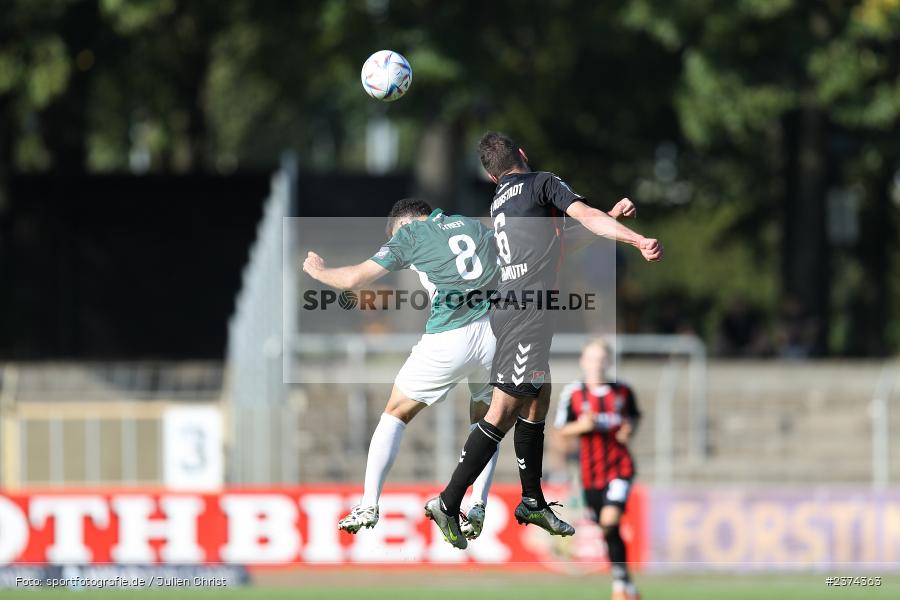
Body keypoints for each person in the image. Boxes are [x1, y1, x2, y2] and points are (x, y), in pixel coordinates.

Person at [426, 131, 662, 550]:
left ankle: (532, 499)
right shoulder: (542, 183)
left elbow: (561, 244)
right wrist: (636, 239)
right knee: (504, 409)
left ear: (490, 173)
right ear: (522, 154)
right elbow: (583, 217)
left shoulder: (502, 203)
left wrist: (608, 216)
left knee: (538, 396)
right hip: (526, 313)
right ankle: (449, 500)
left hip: (518, 309)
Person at [302, 198, 500, 539]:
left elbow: (353, 280)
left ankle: (368, 503)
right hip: (495, 335)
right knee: (487, 421)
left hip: (450, 337)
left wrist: (318, 271)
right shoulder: (471, 225)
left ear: (405, 223)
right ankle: (479, 504)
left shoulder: (411, 234)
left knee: (395, 413)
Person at [556, 339, 642, 600]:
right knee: (606, 528)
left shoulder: (623, 391)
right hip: (590, 474)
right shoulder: (573, 393)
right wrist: (580, 427)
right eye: (591, 359)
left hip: (620, 467)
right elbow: (561, 429)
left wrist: (629, 430)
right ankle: (626, 583)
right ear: (583, 362)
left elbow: (634, 417)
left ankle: (619, 587)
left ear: (608, 362)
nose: (596, 364)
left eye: (601, 359)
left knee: (610, 520)